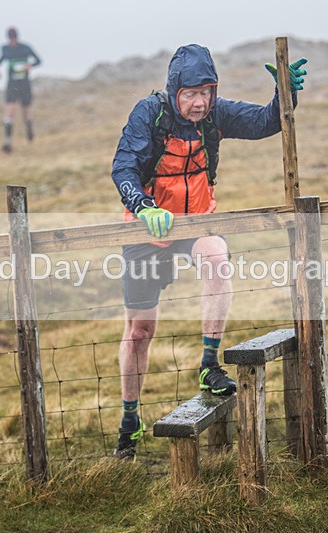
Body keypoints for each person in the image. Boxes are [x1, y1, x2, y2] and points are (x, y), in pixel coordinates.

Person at [110, 44, 308, 459]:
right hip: (147, 230)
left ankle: (209, 364)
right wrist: (144, 207)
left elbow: (266, 122)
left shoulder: (216, 114)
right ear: (175, 91)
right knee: (139, 332)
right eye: (190, 94)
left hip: (197, 224)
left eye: (207, 91)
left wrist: (283, 96)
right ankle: (130, 419)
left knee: (217, 256)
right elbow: (124, 166)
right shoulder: (151, 114)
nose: (199, 102)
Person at [0, 27, 41, 153]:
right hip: (12, 84)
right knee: (10, 110)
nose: (12, 42)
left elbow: (39, 61)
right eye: (10, 39)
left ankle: (29, 132)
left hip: (24, 84)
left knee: (25, 112)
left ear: (17, 38)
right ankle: (7, 141)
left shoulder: (25, 48)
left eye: (13, 39)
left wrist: (29, 65)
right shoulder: (5, 49)